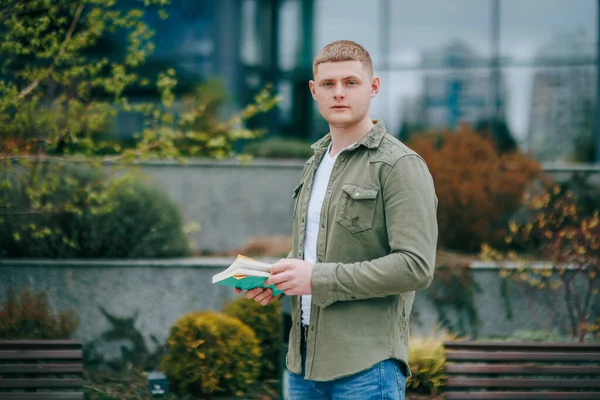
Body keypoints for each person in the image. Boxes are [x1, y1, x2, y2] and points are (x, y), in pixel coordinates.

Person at [235, 40, 438, 400]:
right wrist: (278, 280)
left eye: (351, 83)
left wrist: (315, 277)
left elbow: (415, 266)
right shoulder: (315, 163)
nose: (339, 93)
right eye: (328, 84)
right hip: (304, 365)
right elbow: (316, 255)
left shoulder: (399, 166)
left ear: (373, 88)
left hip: (367, 367)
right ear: (314, 91)